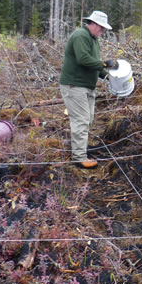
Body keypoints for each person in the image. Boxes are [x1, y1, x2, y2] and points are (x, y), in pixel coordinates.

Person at [60, 10, 117, 168]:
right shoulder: (81, 36)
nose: (103, 31)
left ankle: (79, 148)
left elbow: (94, 63)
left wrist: (107, 76)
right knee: (81, 120)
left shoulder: (93, 39)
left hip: (86, 86)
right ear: (93, 24)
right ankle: (79, 157)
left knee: (88, 118)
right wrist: (105, 64)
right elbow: (83, 59)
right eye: (101, 28)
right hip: (74, 85)